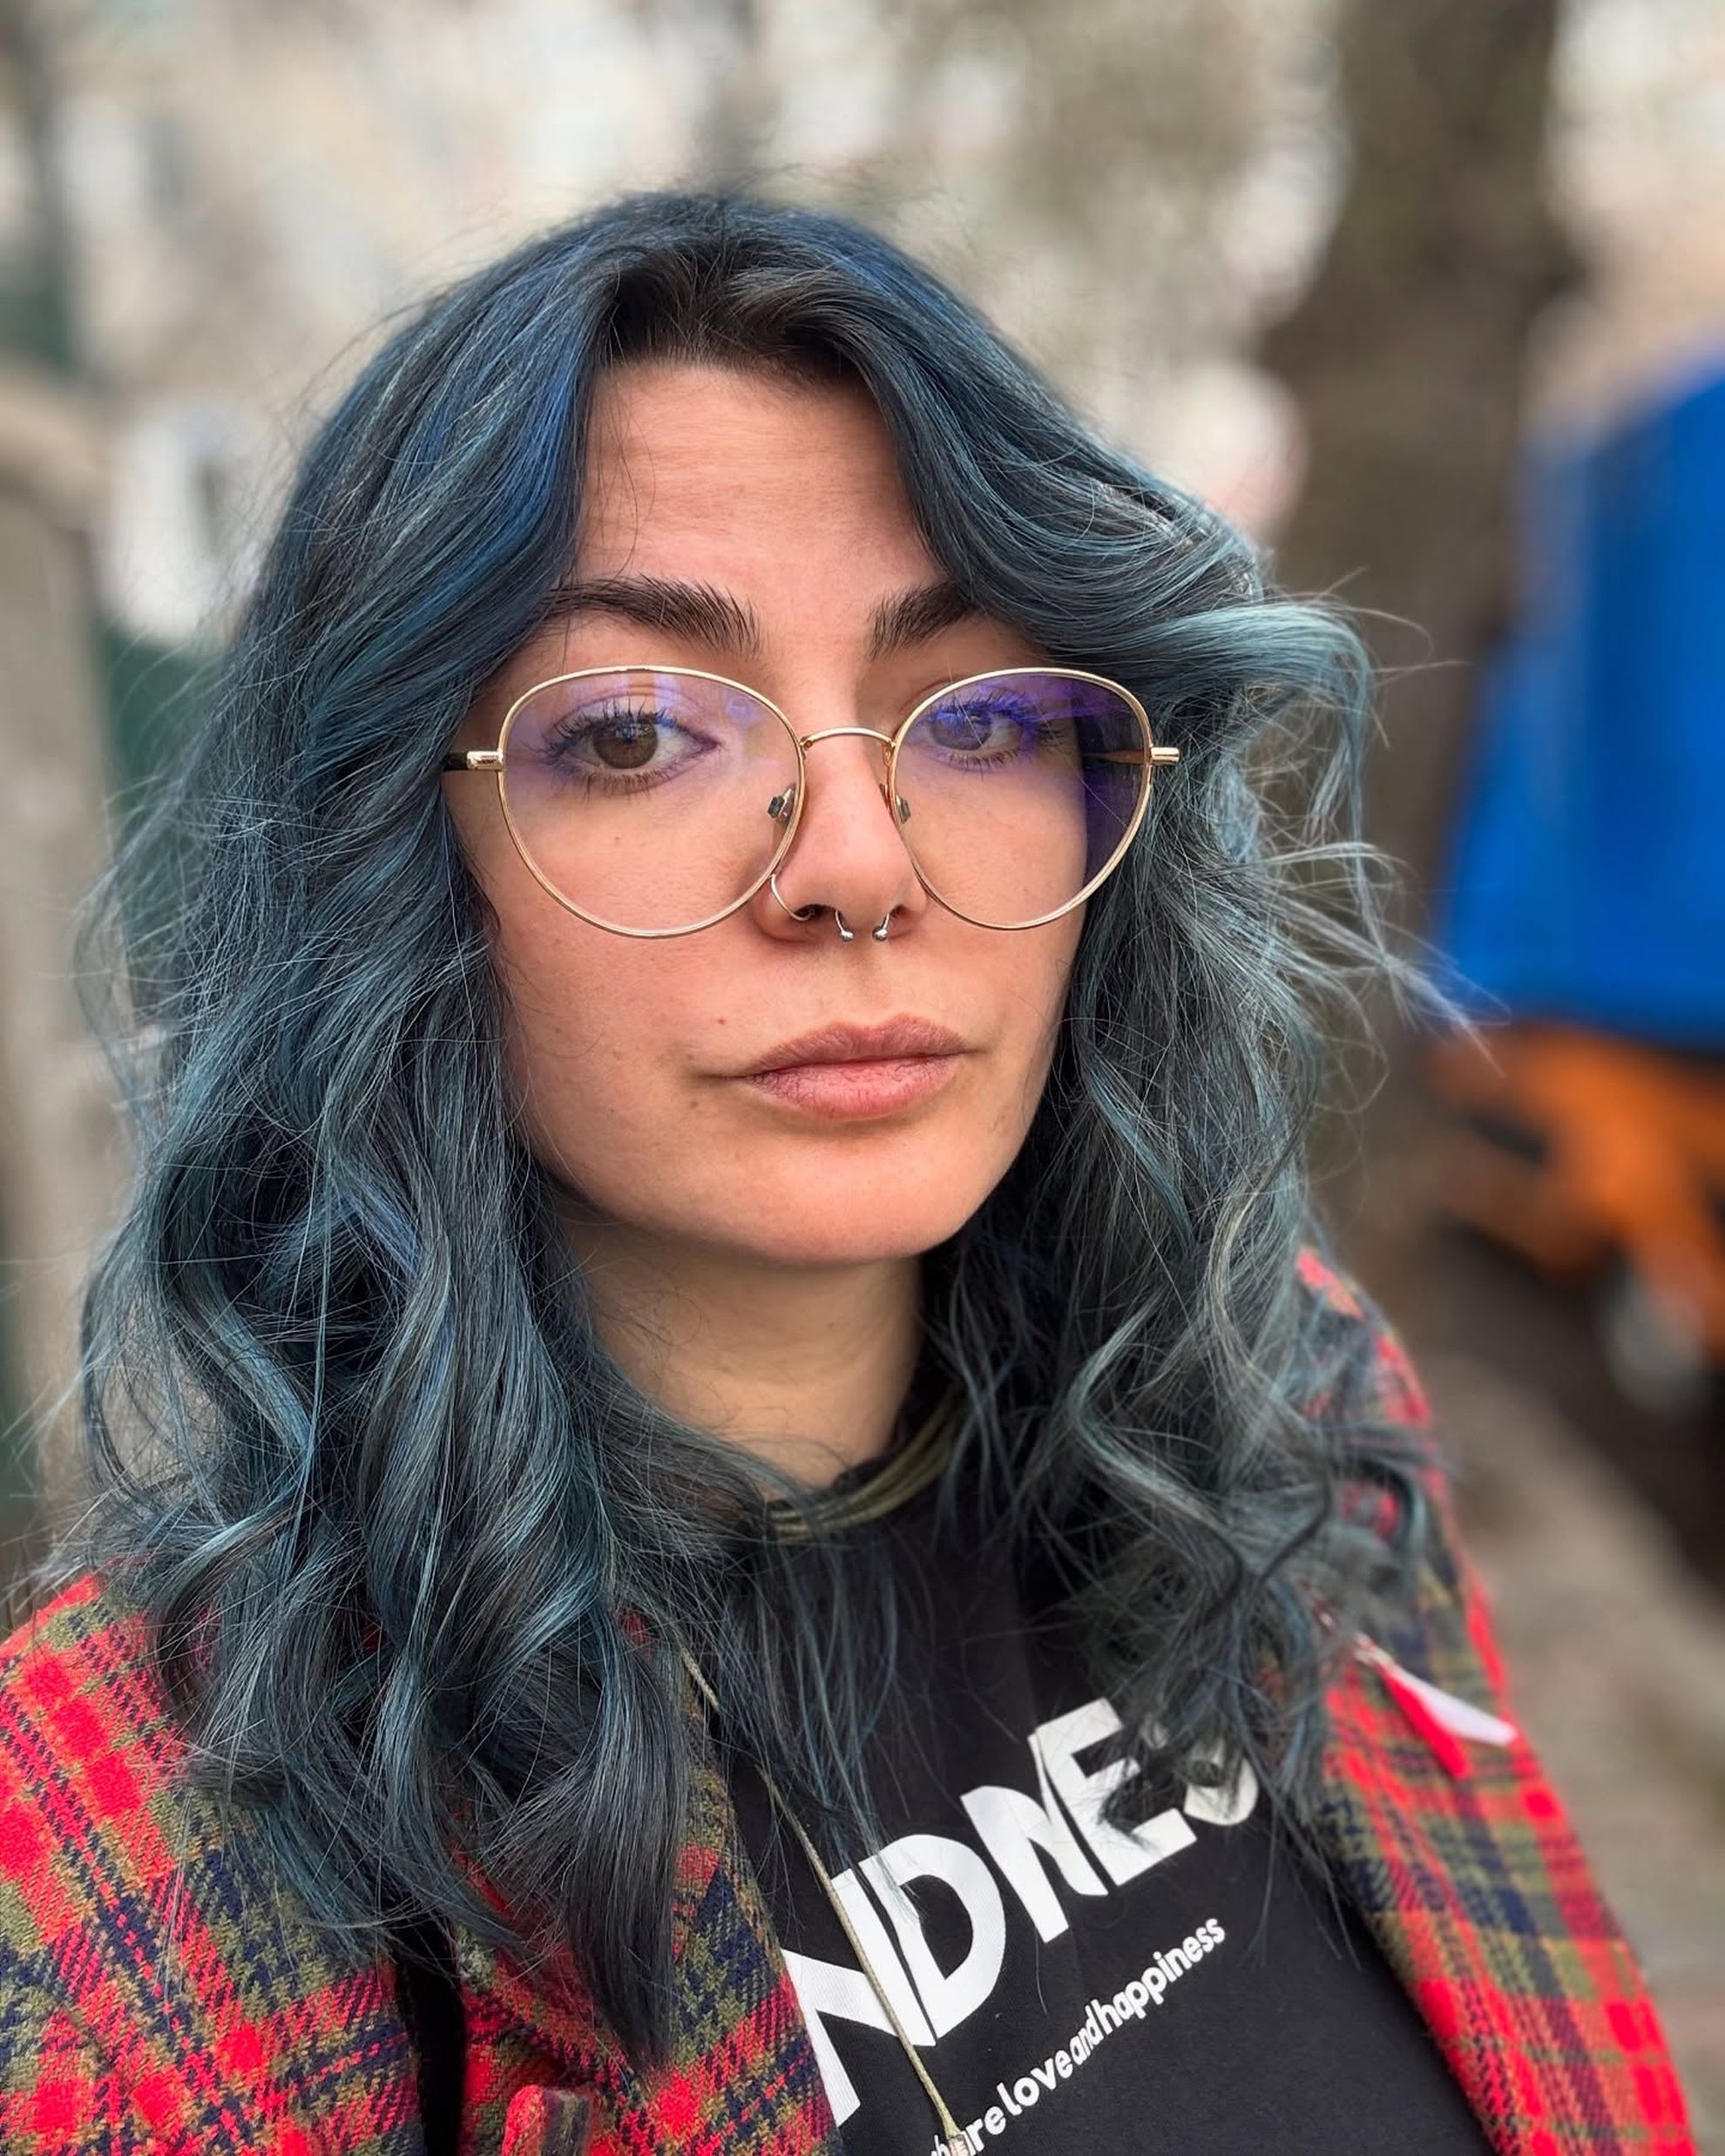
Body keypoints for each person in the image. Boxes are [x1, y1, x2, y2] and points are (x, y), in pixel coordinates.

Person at [0, 190, 1695, 2156]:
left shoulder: (1286, 1416)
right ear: (390, 859)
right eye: (635, 734)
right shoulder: (110, 1917)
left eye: (983, 715)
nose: (861, 865)